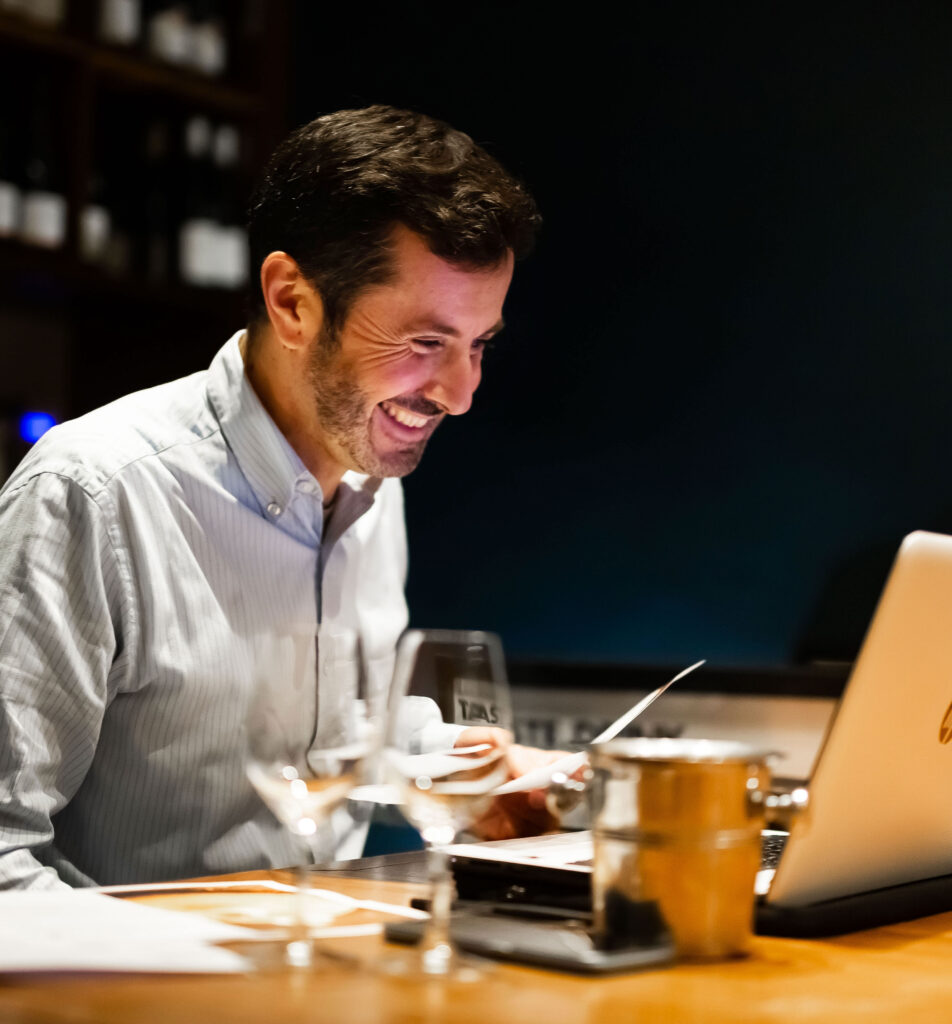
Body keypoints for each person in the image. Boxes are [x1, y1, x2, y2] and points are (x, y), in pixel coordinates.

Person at [0, 105, 555, 890]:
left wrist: (459, 773)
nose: (461, 395)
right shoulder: (92, 494)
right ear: (292, 301)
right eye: (425, 342)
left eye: (479, 345)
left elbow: (320, 736)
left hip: (327, 944)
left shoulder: (370, 481)